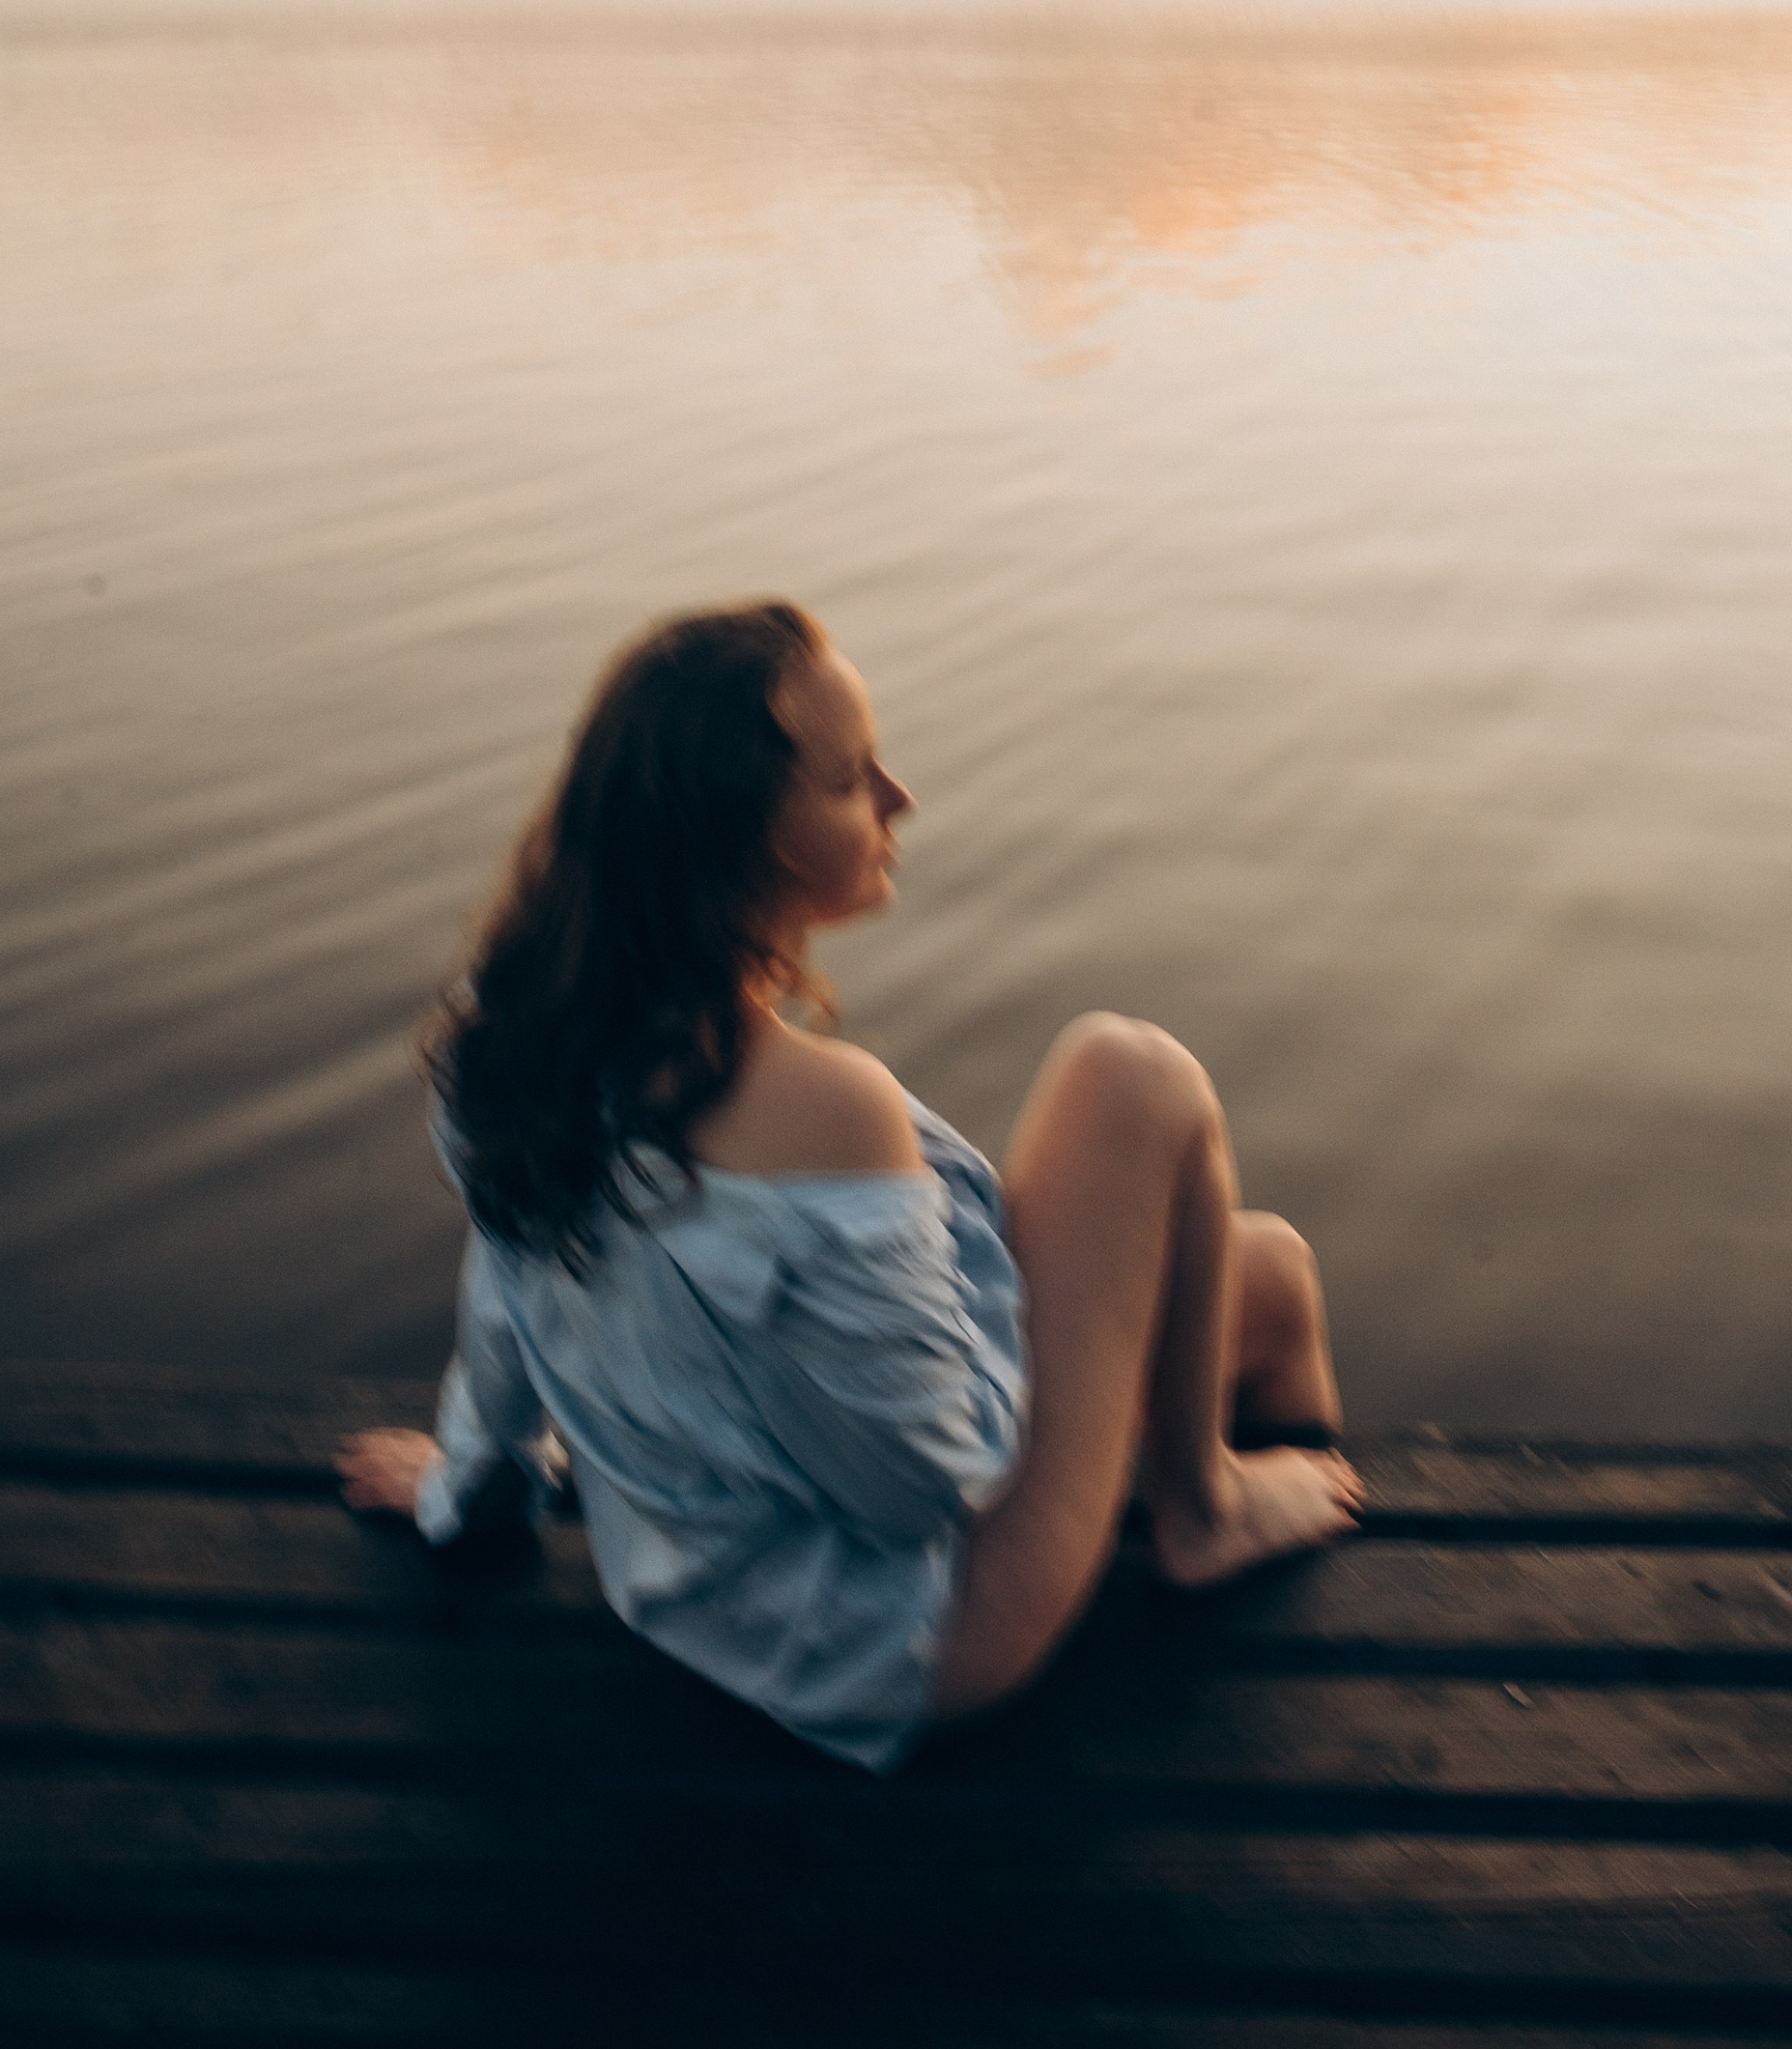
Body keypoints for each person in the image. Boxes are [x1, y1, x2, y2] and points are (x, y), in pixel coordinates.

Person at [337, 599, 1359, 1771]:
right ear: (748, 837)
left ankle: (1218, 1479)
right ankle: (1207, 1513)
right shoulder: (824, 1110)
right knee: (1130, 1077)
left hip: (695, 1595)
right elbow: (927, 1484)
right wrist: (1021, 1296)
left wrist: (468, 1488)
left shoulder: (502, 1038)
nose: (897, 797)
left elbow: (509, 1289)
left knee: (1265, 1274)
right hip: (910, 1641)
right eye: (848, 778)